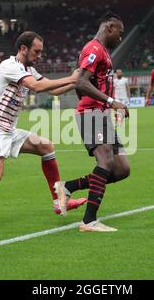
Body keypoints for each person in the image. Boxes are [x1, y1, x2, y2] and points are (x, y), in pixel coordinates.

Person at [0, 31, 85, 234]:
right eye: (36, 52)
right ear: (23, 49)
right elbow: (36, 86)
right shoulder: (9, 66)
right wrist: (70, 77)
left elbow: (52, 90)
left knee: (46, 146)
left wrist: (75, 82)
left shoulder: (28, 69)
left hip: (8, 130)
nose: (39, 56)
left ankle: (58, 202)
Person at [54, 12, 130, 233]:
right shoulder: (94, 49)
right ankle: (89, 221)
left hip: (100, 114)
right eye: (120, 32)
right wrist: (109, 101)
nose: (121, 38)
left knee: (121, 169)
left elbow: (81, 83)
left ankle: (67, 186)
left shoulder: (102, 51)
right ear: (109, 27)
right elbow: (81, 82)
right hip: (92, 114)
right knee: (105, 161)